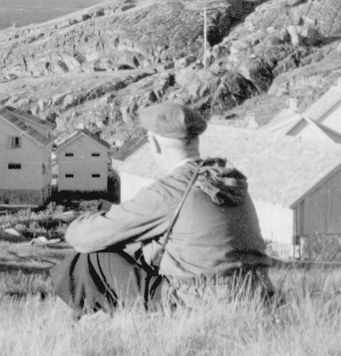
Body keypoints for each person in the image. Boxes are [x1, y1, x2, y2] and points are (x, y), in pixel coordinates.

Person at [52, 102, 274, 317]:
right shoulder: (227, 182)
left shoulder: (169, 192)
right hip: (257, 294)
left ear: (154, 144)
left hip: (200, 302)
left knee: (91, 259)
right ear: (195, 141)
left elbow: (82, 237)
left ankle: (91, 325)